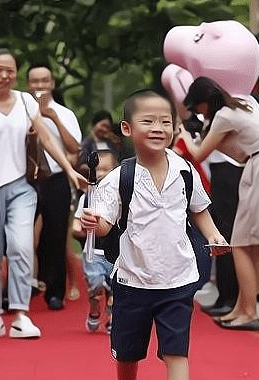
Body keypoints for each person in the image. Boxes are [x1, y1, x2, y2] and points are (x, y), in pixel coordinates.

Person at [80, 89, 229, 380]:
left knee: (177, 352)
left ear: (175, 128)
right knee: (127, 353)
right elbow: (105, 226)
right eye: (148, 121)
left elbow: (198, 209)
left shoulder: (185, 170)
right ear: (127, 128)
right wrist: (93, 222)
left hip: (178, 280)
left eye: (165, 122)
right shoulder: (119, 178)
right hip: (133, 280)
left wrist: (213, 235)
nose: (158, 128)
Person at [0, 48, 85, 339]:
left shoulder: (26, 102)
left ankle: (20, 314)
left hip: (20, 188)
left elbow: (46, 137)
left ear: (16, 74)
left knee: (21, 246)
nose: (4, 75)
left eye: (10, 70)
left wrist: (68, 169)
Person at [178, 76, 259, 330]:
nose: (196, 112)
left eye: (196, 106)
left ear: (205, 101)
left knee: (241, 243)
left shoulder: (224, 117)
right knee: (252, 244)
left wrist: (183, 134)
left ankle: (249, 312)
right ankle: (241, 308)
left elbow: (199, 154)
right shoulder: (245, 104)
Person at [27, 63, 82, 310]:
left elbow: (74, 149)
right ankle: (19, 287)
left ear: (52, 84)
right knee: (20, 235)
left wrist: (54, 118)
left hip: (56, 179)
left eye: (44, 81)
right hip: (24, 179)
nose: (39, 86)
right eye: (34, 81)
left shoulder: (65, 114)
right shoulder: (19, 110)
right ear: (28, 84)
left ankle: (55, 291)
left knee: (56, 235)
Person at [72, 149, 118, 333]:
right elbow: (76, 225)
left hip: (114, 253)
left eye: (105, 170)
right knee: (97, 285)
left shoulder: (118, 199)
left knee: (117, 290)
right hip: (93, 254)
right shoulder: (87, 198)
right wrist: (79, 227)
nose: (100, 174)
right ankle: (95, 308)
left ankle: (113, 318)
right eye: (97, 170)